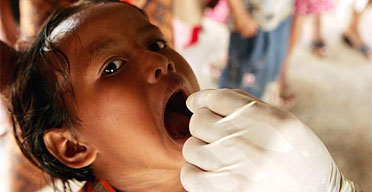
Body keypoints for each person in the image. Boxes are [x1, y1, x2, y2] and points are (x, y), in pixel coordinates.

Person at [2, 0, 356, 191]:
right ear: (74, 146)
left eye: (156, 43)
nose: (159, 61)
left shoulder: (261, 174)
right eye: (112, 66)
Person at [218, 0, 293, 99]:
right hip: (250, 18)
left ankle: (254, 98)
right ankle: (227, 103)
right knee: (238, 74)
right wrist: (240, 14)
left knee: (267, 67)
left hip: (279, 14)